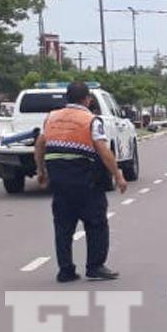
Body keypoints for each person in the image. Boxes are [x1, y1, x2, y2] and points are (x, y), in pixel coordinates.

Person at [34, 82, 126, 282]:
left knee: (63, 227)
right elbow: (102, 150)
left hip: (59, 181)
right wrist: (118, 175)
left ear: (67, 98)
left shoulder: (51, 117)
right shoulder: (91, 120)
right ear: (87, 100)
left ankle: (65, 270)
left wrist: (41, 170)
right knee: (96, 222)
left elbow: (40, 144)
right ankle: (95, 266)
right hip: (85, 179)